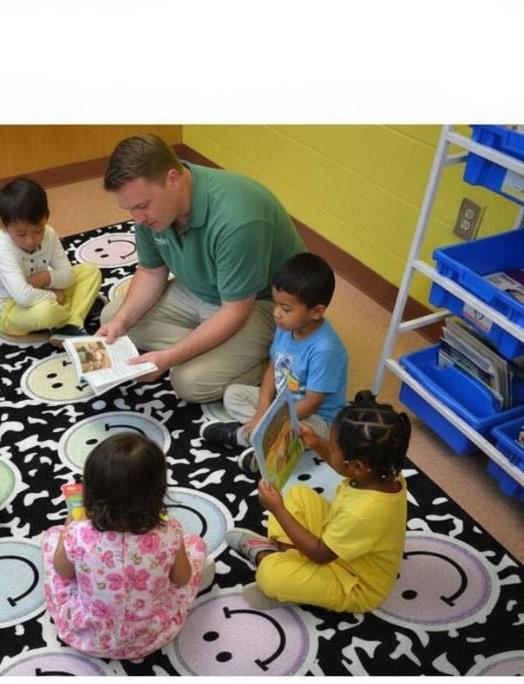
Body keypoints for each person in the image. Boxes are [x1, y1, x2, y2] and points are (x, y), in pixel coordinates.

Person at [97, 133, 305, 403]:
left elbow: (234, 311)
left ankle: (268, 358)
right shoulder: (151, 212)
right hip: (201, 288)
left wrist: (170, 358)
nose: (137, 219)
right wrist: (122, 322)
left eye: (142, 206)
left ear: (173, 179)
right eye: (130, 209)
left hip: (260, 303)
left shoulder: (237, 220)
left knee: (189, 383)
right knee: (113, 320)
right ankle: (215, 348)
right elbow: (151, 271)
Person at [226, 391, 411, 613]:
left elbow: (321, 555)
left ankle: (268, 555)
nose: (329, 449)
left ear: (357, 466)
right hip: (342, 541)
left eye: (332, 447)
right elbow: (345, 469)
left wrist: (277, 509)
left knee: (270, 576)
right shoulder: (385, 472)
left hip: (353, 582)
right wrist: (317, 443)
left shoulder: (362, 513)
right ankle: (292, 559)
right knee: (297, 494)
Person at [41, 432, 213, 660]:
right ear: (158, 490)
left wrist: (68, 528)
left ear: (91, 491)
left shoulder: (78, 533)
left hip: (90, 636)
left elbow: (63, 572)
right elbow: (181, 579)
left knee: (52, 538)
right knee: (196, 544)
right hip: (152, 634)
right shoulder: (170, 532)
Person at [202, 252, 348, 474]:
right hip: (281, 403)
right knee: (233, 394)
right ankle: (262, 440)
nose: (277, 314)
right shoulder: (285, 327)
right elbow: (273, 367)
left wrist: (269, 419)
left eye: (286, 309)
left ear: (317, 312)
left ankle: (248, 439)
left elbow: (311, 404)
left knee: (304, 432)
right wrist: (263, 409)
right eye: (275, 304)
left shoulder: (325, 350)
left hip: (318, 418)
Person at [0, 177, 102, 340]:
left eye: (38, 230)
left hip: (41, 291)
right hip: (10, 307)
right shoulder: (2, 249)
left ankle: (69, 324)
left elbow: (67, 276)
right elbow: (23, 297)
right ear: (3, 226)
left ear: (47, 217)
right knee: (47, 312)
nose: (30, 241)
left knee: (90, 271)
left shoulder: (50, 234)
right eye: (21, 234)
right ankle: (75, 313)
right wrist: (54, 296)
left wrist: (46, 277)